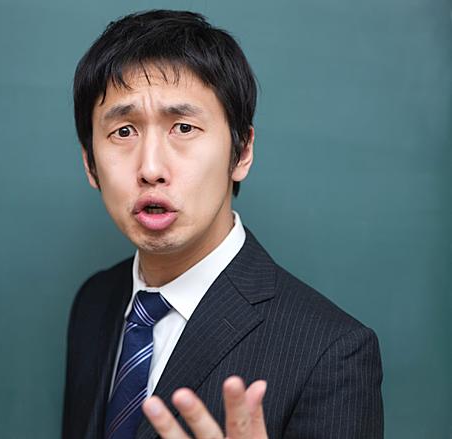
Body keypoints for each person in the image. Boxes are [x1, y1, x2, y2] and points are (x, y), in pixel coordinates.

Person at [63, 9, 383, 439]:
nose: (151, 168)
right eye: (123, 132)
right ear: (90, 163)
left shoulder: (333, 354)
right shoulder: (95, 302)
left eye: (183, 127)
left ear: (242, 152)